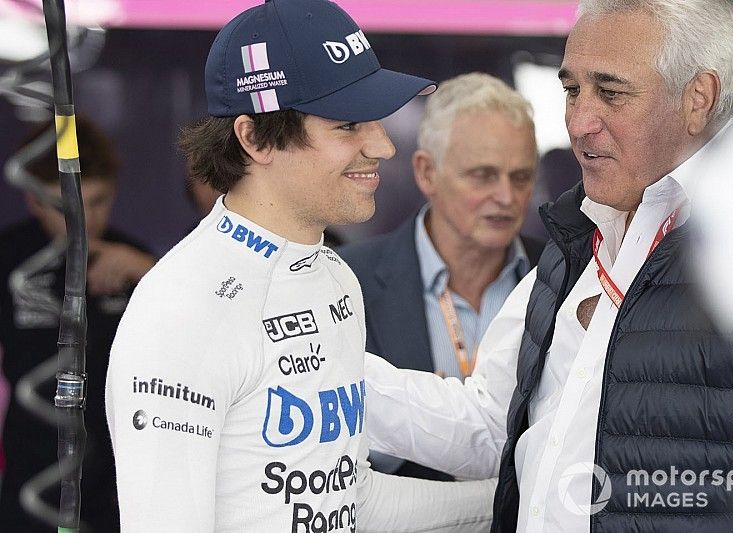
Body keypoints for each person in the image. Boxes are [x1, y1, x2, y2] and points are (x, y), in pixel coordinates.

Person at [362, 0, 733, 531]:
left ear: (697, 98)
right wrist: (325, 368)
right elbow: (492, 425)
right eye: (571, 90)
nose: (579, 122)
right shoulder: (575, 249)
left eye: (611, 92)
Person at [105, 0, 496, 531]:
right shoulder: (181, 309)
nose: (381, 145)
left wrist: (518, 499)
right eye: (348, 125)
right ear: (253, 137)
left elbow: (345, 498)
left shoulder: (332, 276)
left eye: (376, 121)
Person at [338, 72, 544, 480]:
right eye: (483, 175)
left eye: (520, 177)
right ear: (426, 172)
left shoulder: (566, 279)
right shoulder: (347, 282)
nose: (506, 196)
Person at [0, 116, 155, 532]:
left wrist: (149, 273)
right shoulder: (10, 261)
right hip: (26, 481)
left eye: (97, 200)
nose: (83, 219)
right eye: (63, 204)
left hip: (118, 482)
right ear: (32, 200)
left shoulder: (139, 263)